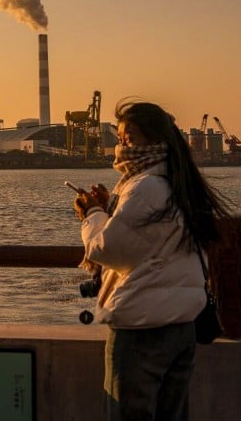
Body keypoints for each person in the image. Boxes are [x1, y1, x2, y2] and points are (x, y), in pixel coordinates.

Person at [72, 99, 232, 421]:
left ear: (155, 139)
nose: (122, 145)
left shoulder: (143, 187)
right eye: (120, 137)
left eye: (130, 137)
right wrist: (111, 208)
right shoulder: (178, 182)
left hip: (142, 329)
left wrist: (92, 214)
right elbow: (151, 241)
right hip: (182, 327)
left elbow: (105, 250)